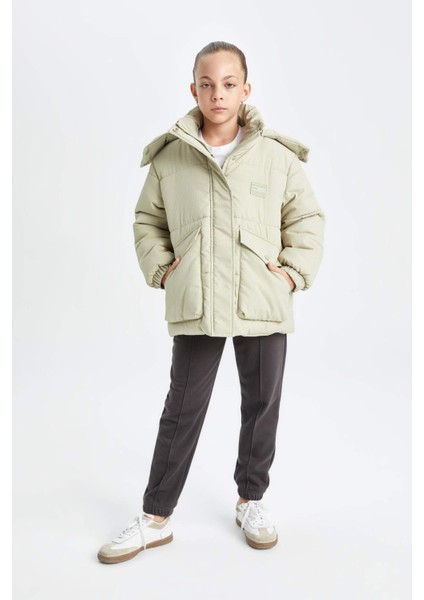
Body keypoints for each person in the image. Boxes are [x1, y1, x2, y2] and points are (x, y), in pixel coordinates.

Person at [97, 41, 325, 564]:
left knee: (262, 404)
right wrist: (162, 268)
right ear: (193, 89)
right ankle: (156, 517)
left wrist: (292, 274)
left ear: (246, 89)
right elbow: (147, 220)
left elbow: (307, 219)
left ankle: (251, 500)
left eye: (228, 84)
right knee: (182, 408)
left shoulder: (277, 156)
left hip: (261, 300)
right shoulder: (170, 157)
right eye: (207, 84)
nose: (217, 94)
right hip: (198, 300)